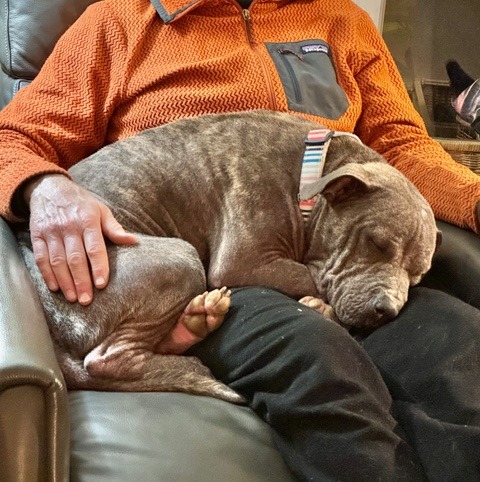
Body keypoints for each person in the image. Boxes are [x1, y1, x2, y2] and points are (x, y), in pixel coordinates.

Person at [1, 0, 480, 480]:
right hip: (221, 278)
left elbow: (402, 147)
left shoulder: (341, 21)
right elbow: (13, 138)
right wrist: (46, 187)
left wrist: (474, 200)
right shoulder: (118, 23)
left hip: (344, 246)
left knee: (460, 348)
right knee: (320, 361)